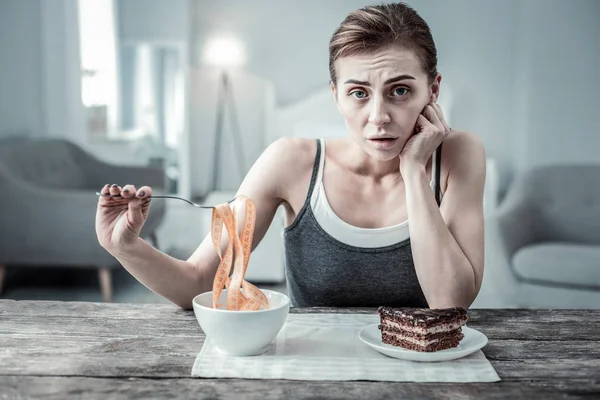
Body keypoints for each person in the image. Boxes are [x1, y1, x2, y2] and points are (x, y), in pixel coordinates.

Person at [95, 2, 486, 310]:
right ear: (336, 95)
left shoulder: (459, 155)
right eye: (359, 93)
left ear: (432, 90)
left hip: (423, 374)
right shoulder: (290, 161)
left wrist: (415, 172)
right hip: (308, 370)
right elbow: (199, 281)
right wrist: (125, 246)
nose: (379, 117)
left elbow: (450, 304)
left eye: (400, 91)